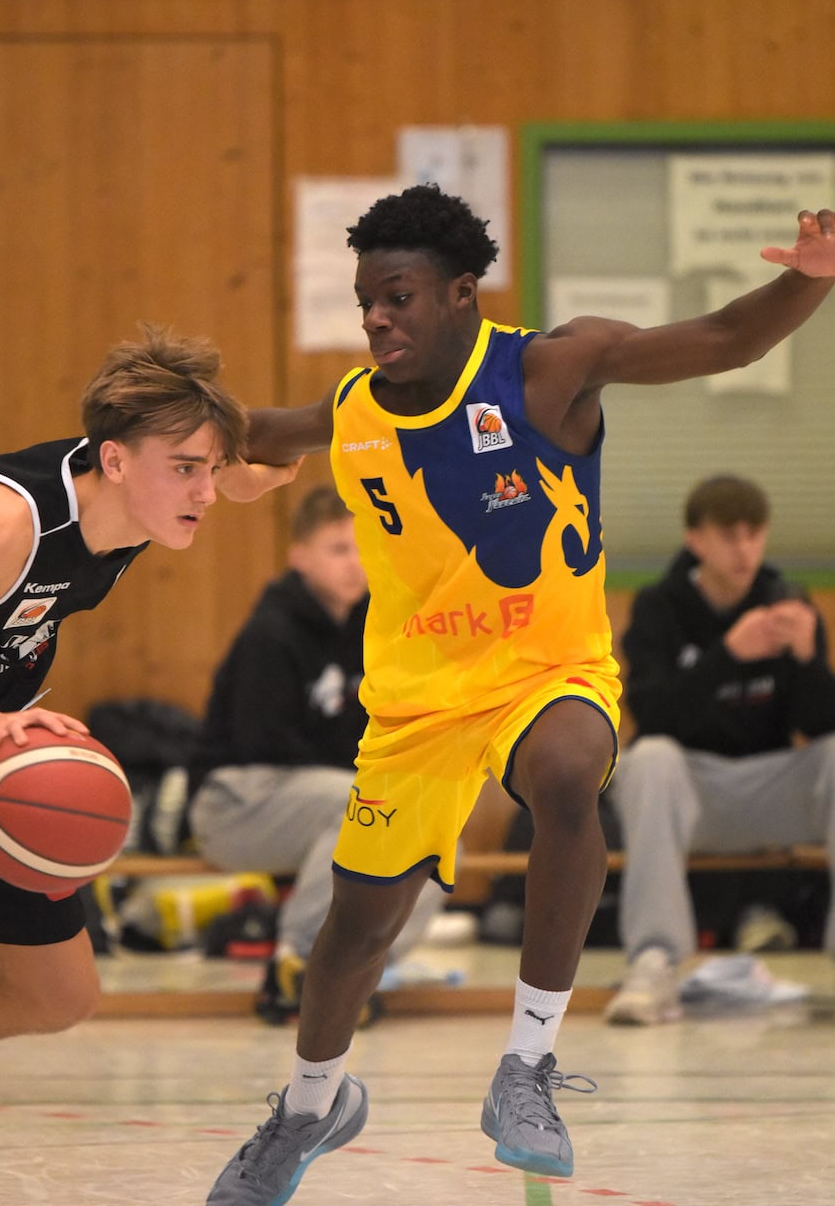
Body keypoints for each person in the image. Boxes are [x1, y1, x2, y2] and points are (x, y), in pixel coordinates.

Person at [204, 186, 835, 1206]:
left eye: (398, 296)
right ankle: (312, 1105)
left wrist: (802, 284)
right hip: (414, 707)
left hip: (550, 671)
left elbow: (722, 338)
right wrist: (169, 427)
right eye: (366, 300)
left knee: (569, 772)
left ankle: (526, 1067)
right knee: (351, 935)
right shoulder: (355, 408)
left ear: (461, 294)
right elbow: (260, 429)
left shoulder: (550, 368)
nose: (376, 318)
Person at [0, 323, 298, 1045]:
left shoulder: (146, 501)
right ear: (116, 461)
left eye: (210, 470)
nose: (206, 493)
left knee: (58, 997)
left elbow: (257, 463)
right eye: (186, 469)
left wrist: (353, 419)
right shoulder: (2, 522)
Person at [187, 483, 446, 1023]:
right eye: (338, 548)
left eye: (364, 548)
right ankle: (300, 964)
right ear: (299, 556)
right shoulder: (271, 631)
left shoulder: (377, 632)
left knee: (437, 822)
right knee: (357, 797)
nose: (355, 563)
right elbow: (265, 742)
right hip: (235, 802)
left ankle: (353, 970)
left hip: (324, 797)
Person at [604, 473, 835, 1026]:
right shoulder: (659, 607)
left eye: (754, 535)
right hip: (692, 792)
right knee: (649, 758)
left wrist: (807, 660)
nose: (744, 549)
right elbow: (651, 712)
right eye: (729, 536)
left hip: (771, 788)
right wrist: (726, 656)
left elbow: (817, 723)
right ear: (696, 540)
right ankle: (656, 962)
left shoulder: (789, 601)